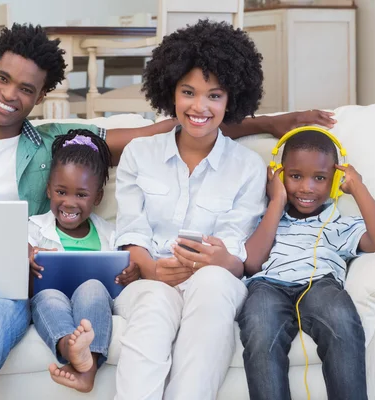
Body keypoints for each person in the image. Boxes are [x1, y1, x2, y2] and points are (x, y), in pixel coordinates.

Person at [0, 22, 335, 400]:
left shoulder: (57, 144)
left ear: (40, 98)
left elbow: (182, 125)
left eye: (26, 88)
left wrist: (274, 122)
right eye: (3, 78)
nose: (10, 94)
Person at [113, 20, 267, 399]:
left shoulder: (248, 167)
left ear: (232, 100)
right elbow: (131, 232)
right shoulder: (139, 154)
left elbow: (238, 259)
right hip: (151, 278)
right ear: (170, 93)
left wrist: (214, 261)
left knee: (213, 283)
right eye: (188, 92)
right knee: (153, 303)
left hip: (213, 280)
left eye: (214, 95)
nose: (200, 107)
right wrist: (154, 270)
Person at [239, 129, 375, 400]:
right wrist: (277, 200)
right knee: (260, 331)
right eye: (296, 176)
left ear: (334, 182)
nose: (306, 188)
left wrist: (357, 187)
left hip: (321, 284)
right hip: (267, 286)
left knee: (342, 324)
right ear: (279, 174)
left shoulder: (337, 222)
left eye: (320, 178)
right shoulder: (264, 217)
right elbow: (252, 264)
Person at [28, 129, 139, 393]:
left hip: (92, 301)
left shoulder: (111, 235)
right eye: (61, 192)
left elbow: (122, 274)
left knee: (93, 287)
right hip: (49, 298)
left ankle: (89, 365)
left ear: (97, 197)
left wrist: (131, 274)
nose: (69, 202)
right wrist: (26, 255)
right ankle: (69, 345)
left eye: (81, 195)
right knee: (47, 297)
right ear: (48, 190)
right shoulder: (31, 229)